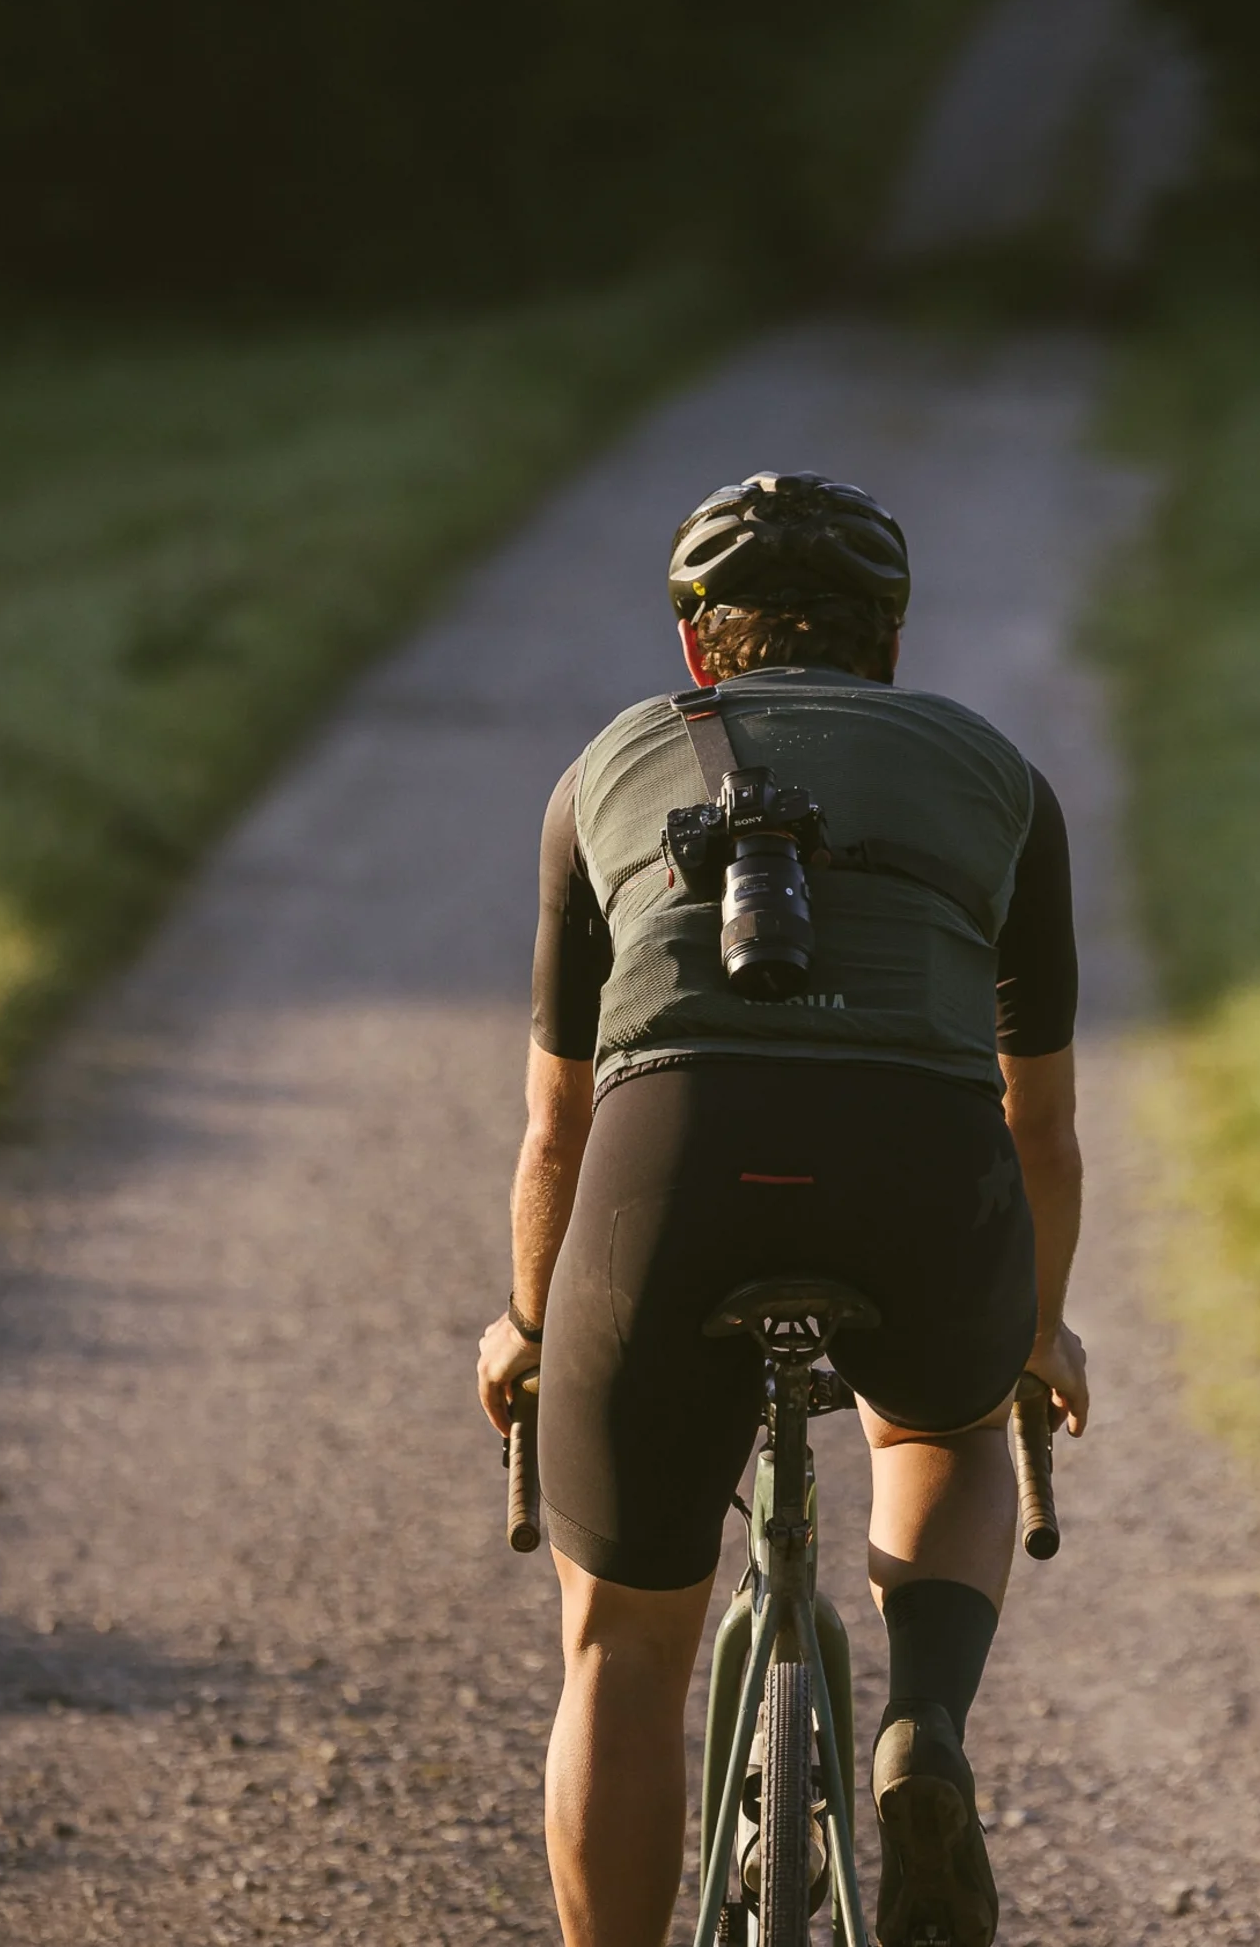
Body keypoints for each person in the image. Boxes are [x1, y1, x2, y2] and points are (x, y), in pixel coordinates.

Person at [476, 470, 1087, 1947]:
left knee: (620, 1644)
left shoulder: (611, 764)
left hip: (667, 1170)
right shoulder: (997, 773)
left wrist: (526, 1321)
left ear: (699, 645)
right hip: (919, 1171)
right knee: (939, 1426)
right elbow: (1042, 1118)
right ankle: (921, 1724)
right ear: (887, 638)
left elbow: (557, 1124)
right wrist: (1035, 1329)